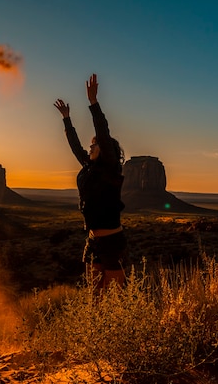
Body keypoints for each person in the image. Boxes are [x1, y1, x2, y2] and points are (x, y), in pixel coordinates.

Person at [53, 74, 127, 291]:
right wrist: (67, 119)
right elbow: (76, 147)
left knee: (111, 299)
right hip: (93, 241)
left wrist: (93, 103)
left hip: (112, 242)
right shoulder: (89, 169)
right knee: (94, 296)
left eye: (94, 146)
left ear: (104, 150)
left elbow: (104, 134)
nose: (90, 147)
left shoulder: (111, 170)